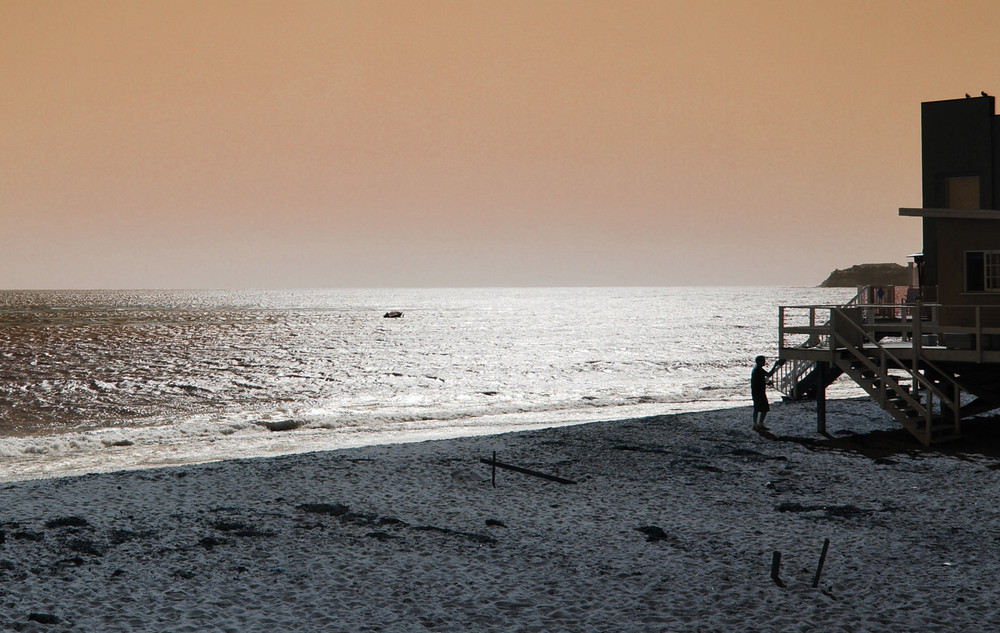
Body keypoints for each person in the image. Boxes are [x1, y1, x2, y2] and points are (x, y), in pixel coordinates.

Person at [751, 355, 778, 431]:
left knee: (757, 408)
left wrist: (766, 383)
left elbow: (758, 380)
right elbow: (769, 374)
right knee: (764, 409)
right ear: (759, 362)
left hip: (756, 391)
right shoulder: (759, 370)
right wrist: (775, 365)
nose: (764, 362)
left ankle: (756, 424)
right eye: (763, 361)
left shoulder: (756, 370)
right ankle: (759, 424)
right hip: (759, 392)